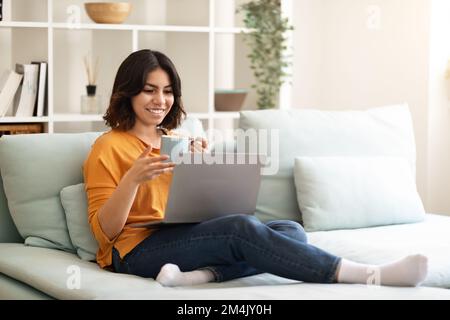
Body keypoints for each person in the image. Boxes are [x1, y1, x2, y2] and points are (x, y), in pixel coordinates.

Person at [83, 49, 428, 288]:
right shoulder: (108, 147)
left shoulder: (177, 139)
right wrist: (132, 179)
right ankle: (364, 274)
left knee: (290, 231)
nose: (161, 100)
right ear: (128, 93)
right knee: (241, 230)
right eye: (149, 90)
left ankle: (195, 276)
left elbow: (192, 208)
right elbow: (104, 234)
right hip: (134, 251)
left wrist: (203, 168)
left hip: (182, 237)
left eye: (168, 91)